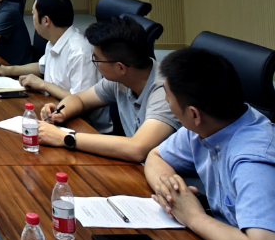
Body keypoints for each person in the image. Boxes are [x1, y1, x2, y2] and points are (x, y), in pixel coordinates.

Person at [144, 48, 275, 240]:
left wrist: (192, 216)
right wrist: (170, 191)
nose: (165, 100)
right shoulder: (206, 126)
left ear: (194, 114)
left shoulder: (253, 161)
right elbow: (156, 157)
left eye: (168, 96)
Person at [37, 17, 181, 162]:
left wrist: (65, 138)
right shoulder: (121, 79)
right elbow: (80, 99)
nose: (94, 63)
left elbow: (137, 148)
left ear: (120, 68)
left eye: (96, 59)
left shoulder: (165, 93)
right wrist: (60, 112)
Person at [0, 0, 103, 124]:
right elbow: (41, 66)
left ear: (46, 21)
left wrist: (43, 85)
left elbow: (80, 100)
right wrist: (7, 70)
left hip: (83, 123)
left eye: (33, 14)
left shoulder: (79, 52)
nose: (32, 19)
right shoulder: (54, 40)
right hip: (53, 110)